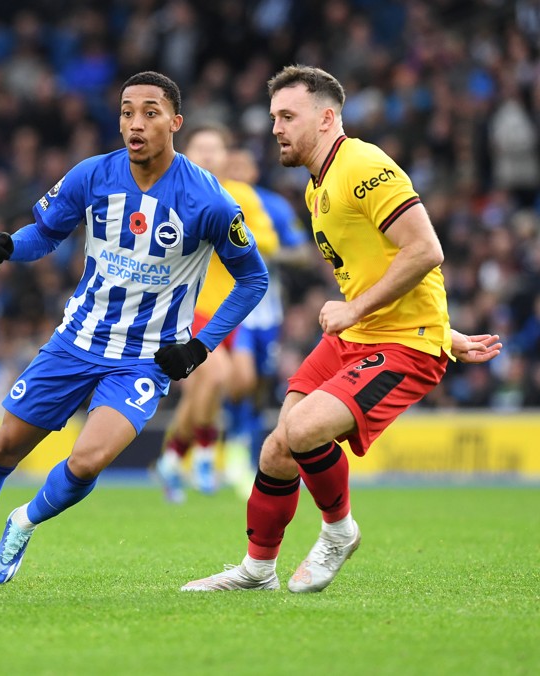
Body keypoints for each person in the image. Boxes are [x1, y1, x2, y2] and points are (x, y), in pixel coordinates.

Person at [0, 71, 269, 586]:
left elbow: (253, 279)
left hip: (143, 358)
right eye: (127, 112)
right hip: (75, 341)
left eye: (150, 113)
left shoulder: (210, 201)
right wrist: (11, 245)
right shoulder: (92, 175)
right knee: (4, 447)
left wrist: (199, 348)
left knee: (88, 460)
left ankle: (23, 521)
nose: (136, 124)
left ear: (175, 123)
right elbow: (45, 234)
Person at [182, 65, 502, 594]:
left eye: (288, 116)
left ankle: (338, 531)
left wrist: (388, 321)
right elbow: (378, 268)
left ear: (327, 118)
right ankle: (257, 571)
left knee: (304, 430)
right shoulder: (317, 188)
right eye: (273, 117)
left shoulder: (364, 165)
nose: (276, 128)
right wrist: (446, 330)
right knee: (277, 449)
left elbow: (426, 249)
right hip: (361, 337)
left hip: (401, 344)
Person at [153, 124, 279, 502]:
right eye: (200, 147)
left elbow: (269, 242)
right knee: (218, 375)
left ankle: (172, 459)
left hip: (229, 310)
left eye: (216, 148)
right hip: (187, 307)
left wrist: (231, 229)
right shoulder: (171, 193)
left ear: (227, 157)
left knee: (207, 388)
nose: (208, 154)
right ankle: (206, 454)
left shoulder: (240, 196)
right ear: (185, 153)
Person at [221, 147, 312, 492]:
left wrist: (269, 252)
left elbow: (303, 254)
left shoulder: (273, 206)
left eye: (242, 164)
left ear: (254, 171)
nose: (236, 170)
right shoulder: (216, 202)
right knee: (241, 377)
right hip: (231, 305)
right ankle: (232, 448)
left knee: (260, 382)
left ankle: (244, 448)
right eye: (230, 164)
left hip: (267, 310)